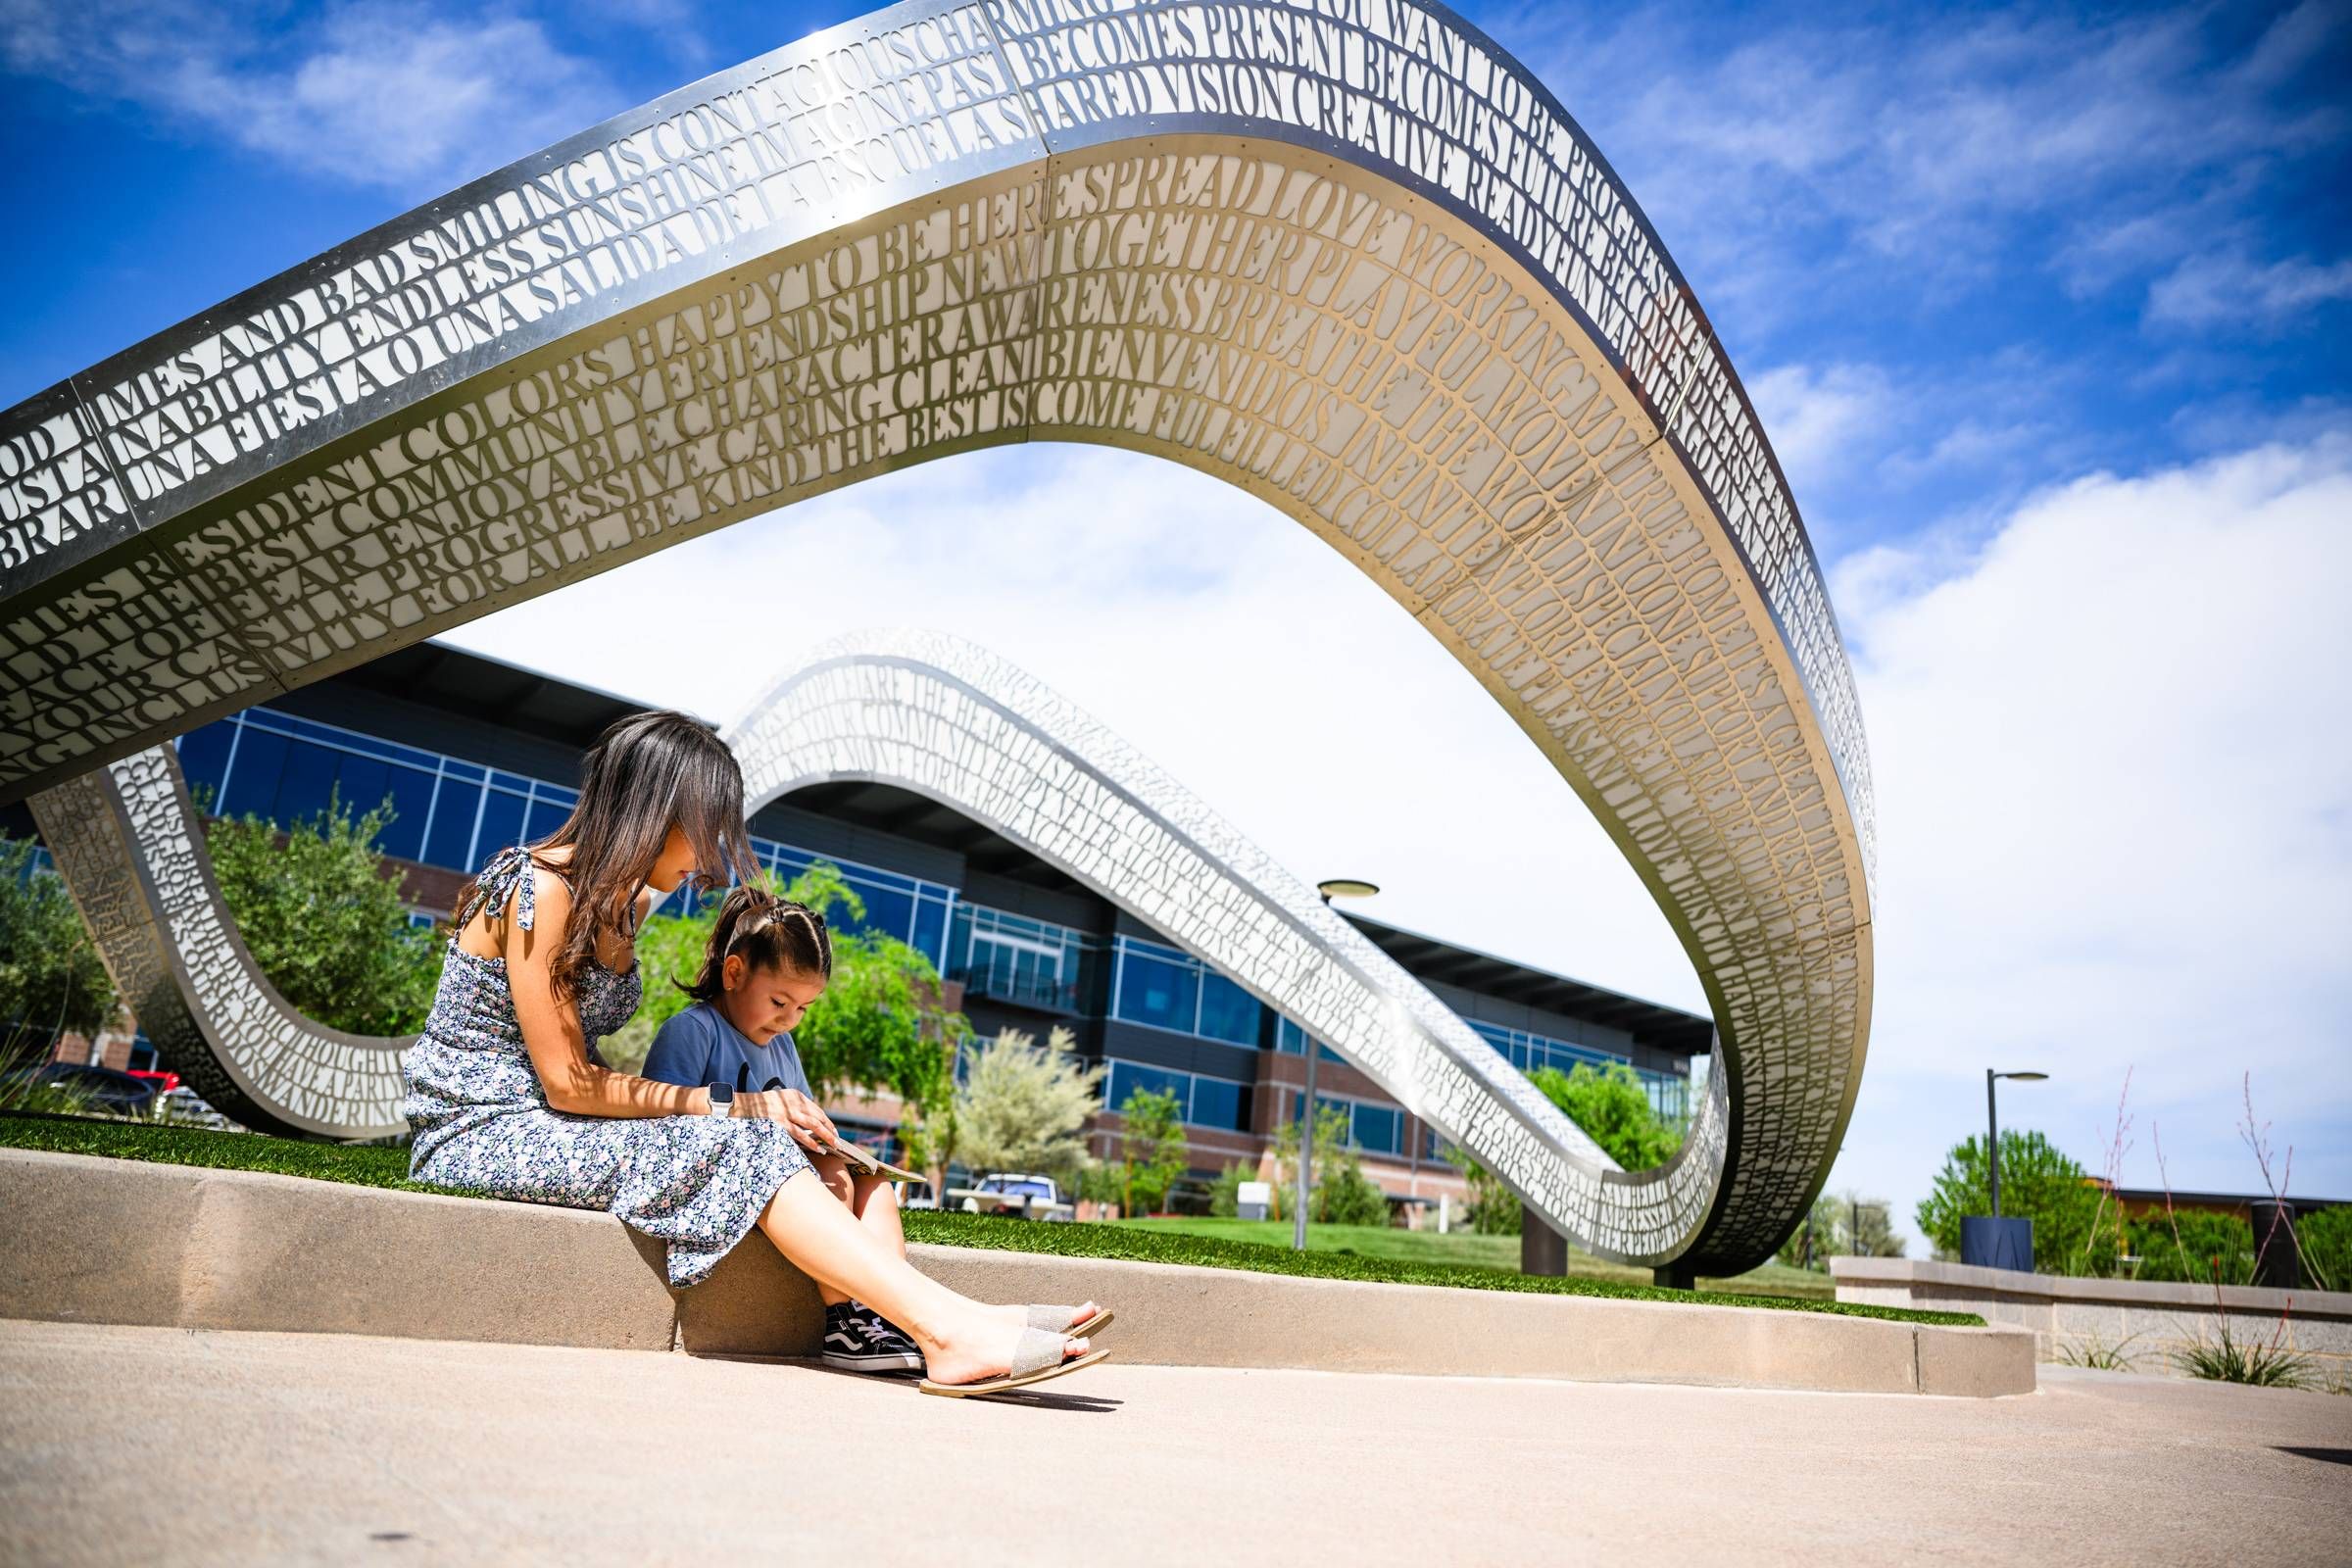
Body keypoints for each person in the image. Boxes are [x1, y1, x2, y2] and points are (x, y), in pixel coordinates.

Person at [400, 709, 1105, 1396]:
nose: (708, 856)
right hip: (482, 1133)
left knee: (762, 1137)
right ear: (651, 810)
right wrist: (732, 1104)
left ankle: (952, 1324)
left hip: (550, 1127)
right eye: (701, 832)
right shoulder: (537, 888)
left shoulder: (618, 905)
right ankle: (951, 1331)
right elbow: (568, 1083)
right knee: (747, 1137)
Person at [640, 885, 921, 1374]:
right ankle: (845, 1319)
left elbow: (804, 1114)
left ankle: (897, 1313)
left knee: (873, 1182)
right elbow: (658, 1124)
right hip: (724, 1181)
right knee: (832, 1177)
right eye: (779, 1001)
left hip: (780, 1180)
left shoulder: (782, 1048)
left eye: (803, 1009)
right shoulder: (693, 1031)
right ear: (734, 973)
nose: (789, 1020)